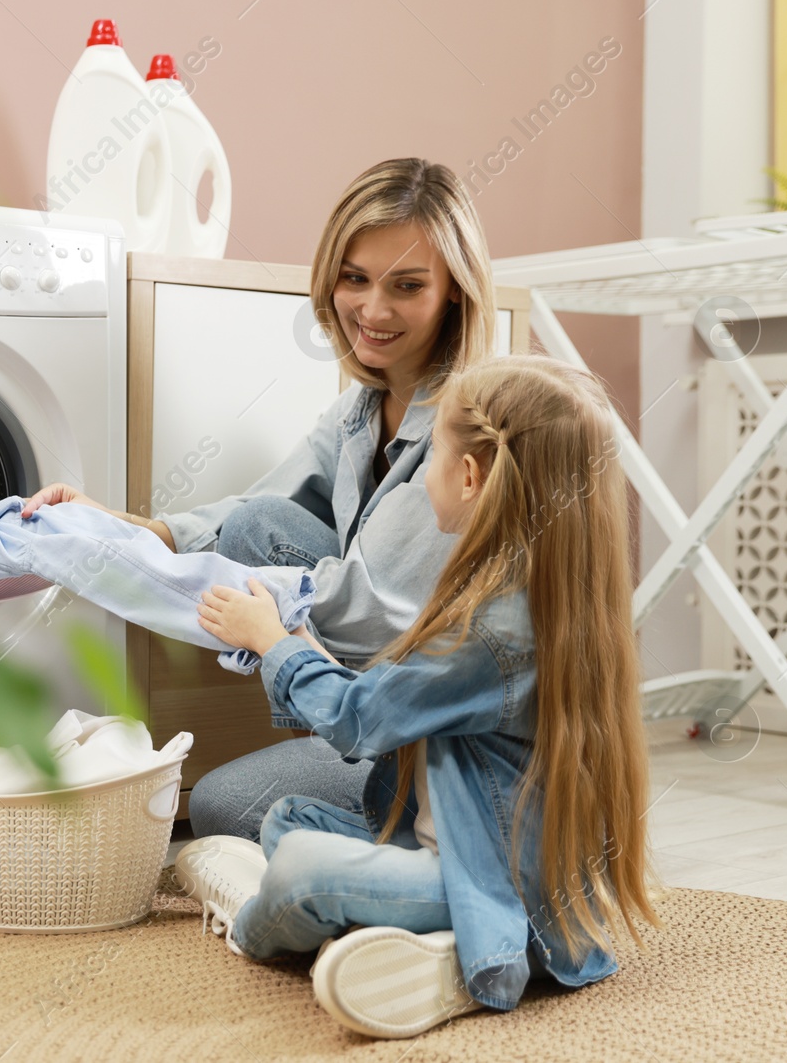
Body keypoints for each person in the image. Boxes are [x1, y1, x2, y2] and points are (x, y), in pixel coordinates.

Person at [177, 354, 660, 1039]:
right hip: (467, 847)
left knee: (298, 870)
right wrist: (295, 640)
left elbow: (359, 720)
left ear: (470, 476)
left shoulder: (495, 632)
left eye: (432, 454)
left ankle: (266, 923)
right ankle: (418, 942)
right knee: (288, 817)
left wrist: (271, 643)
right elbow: (379, 699)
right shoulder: (533, 598)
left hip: (489, 882)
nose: (424, 473)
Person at [20, 158, 497, 841]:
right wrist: (127, 528)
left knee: (218, 807)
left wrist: (256, 618)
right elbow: (253, 510)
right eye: (355, 278)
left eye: (408, 286)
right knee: (258, 525)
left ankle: (419, 821)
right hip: (364, 697)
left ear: (455, 291)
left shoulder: (468, 426)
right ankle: (345, 770)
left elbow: (376, 608)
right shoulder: (365, 405)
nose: (373, 308)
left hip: (426, 729)